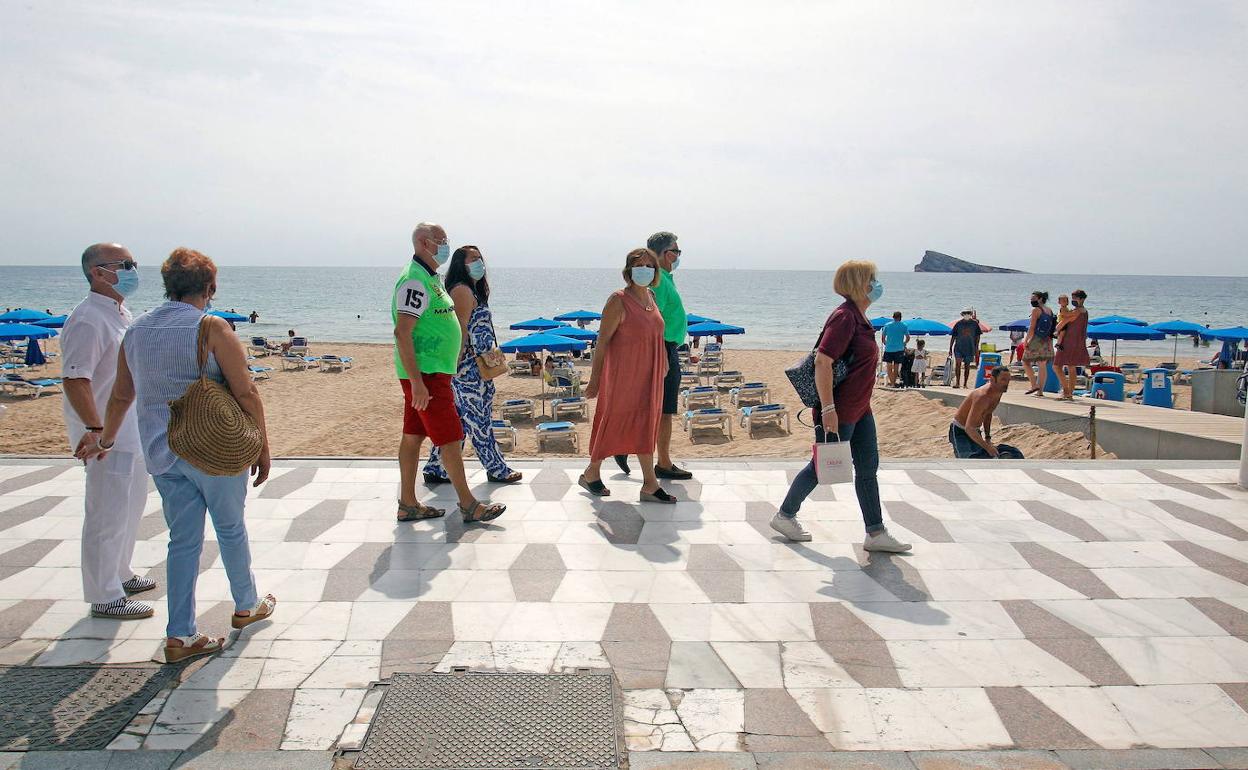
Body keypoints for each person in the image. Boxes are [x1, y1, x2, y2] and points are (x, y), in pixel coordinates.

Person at [76, 247, 275, 662]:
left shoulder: (138, 330)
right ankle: (246, 605)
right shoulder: (212, 327)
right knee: (230, 527)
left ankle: (180, 635)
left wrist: (105, 441)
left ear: (168, 285)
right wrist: (262, 443)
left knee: (182, 542)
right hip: (215, 448)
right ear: (210, 287)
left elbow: (121, 396)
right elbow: (245, 391)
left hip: (163, 452)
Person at [769, 260, 911, 553]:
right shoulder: (844, 317)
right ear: (860, 283)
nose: (876, 284)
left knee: (868, 468)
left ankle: (875, 532)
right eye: (872, 279)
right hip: (840, 409)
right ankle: (785, 515)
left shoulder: (860, 317)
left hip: (860, 408)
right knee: (821, 467)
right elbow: (823, 361)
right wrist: (829, 409)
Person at [61, 243, 154, 621]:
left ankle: (120, 572)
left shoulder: (118, 313)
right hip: (103, 434)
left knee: (130, 507)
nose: (134, 270)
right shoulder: (88, 319)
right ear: (99, 272)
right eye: (126, 264)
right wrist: (94, 428)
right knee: (106, 511)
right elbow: (74, 378)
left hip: (128, 429)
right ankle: (104, 594)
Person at [393, 222, 505, 524]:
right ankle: (468, 504)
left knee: (413, 436)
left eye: (445, 240)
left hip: (433, 373)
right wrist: (416, 382)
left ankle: (408, 503)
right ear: (422, 243)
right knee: (451, 437)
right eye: (439, 240)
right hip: (426, 375)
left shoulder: (431, 278)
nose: (444, 245)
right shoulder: (414, 281)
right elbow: (403, 333)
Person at [580, 248, 675, 504]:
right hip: (623, 374)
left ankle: (649, 484)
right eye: (638, 265)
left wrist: (664, 360)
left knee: (646, 423)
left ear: (655, 272)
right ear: (628, 270)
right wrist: (595, 380)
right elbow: (601, 343)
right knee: (614, 420)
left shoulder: (652, 297)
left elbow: (657, 333)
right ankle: (592, 471)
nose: (644, 269)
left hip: (651, 373)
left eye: (648, 265)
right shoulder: (618, 300)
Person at [422, 246, 521, 485]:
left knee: (459, 421)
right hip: (468, 369)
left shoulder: (471, 290)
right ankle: (496, 468)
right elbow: (460, 330)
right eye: (474, 259)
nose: (480, 263)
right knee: (480, 419)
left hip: (475, 366)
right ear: (461, 265)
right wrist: (454, 364)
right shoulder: (463, 291)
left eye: (480, 259)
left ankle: (436, 467)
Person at [614, 232, 691, 481]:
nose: (679, 256)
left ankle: (625, 448)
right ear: (661, 254)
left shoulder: (666, 278)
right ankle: (663, 463)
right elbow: (650, 321)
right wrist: (662, 353)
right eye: (675, 251)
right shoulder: (658, 282)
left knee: (657, 407)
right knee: (664, 409)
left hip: (667, 347)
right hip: (663, 347)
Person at [949, 366, 1011, 458]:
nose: (1006, 383)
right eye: (1003, 380)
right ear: (992, 379)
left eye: (1008, 380)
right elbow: (969, 428)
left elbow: (988, 414)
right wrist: (988, 448)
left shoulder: (998, 391)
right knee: (967, 459)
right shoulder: (982, 397)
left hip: (975, 431)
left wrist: (987, 438)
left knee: (983, 457)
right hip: (960, 431)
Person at [1053, 289, 1089, 400]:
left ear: (1081, 299)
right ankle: (1069, 393)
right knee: (1071, 367)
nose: (1073, 300)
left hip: (1069, 342)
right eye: (1072, 298)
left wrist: (1057, 329)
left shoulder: (1076, 312)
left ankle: (1066, 390)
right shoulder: (1084, 311)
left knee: (1057, 366)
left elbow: (1061, 324)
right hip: (1078, 341)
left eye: (1075, 298)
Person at [1023, 291, 1056, 396]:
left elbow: (1032, 328)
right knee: (1042, 365)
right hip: (1046, 340)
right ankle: (1040, 391)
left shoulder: (1036, 310)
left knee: (1026, 362)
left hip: (1036, 339)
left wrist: (1027, 340)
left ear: (1040, 299)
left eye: (1034, 298)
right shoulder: (1049, 310)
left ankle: (1034, 385)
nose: (1032, 300)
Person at [949, 308, 982, 388]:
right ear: (962, 314)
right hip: (958, 347)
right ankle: (957, 383)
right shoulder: (958, 324)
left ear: (970, 314)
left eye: (968, 313)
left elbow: (978, 335)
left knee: (967, 366)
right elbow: (953, 336)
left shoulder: (974, 324)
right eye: (965, 313)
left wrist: (976, 346)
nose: (966, 314)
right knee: (958, 364)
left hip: (970, 348)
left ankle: (965, 384)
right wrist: (950, 348)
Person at [880, 311, 909, 387]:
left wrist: (886, 343)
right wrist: (904, 343)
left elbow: (883, 338)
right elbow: (908, 338)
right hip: (899, 349)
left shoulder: (887, 325)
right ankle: (893, 383)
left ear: (893, 317)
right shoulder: (904, 325)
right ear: (900, 317)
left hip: (889, 349)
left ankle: (892, 383)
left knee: (889, 367)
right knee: (896, 367)